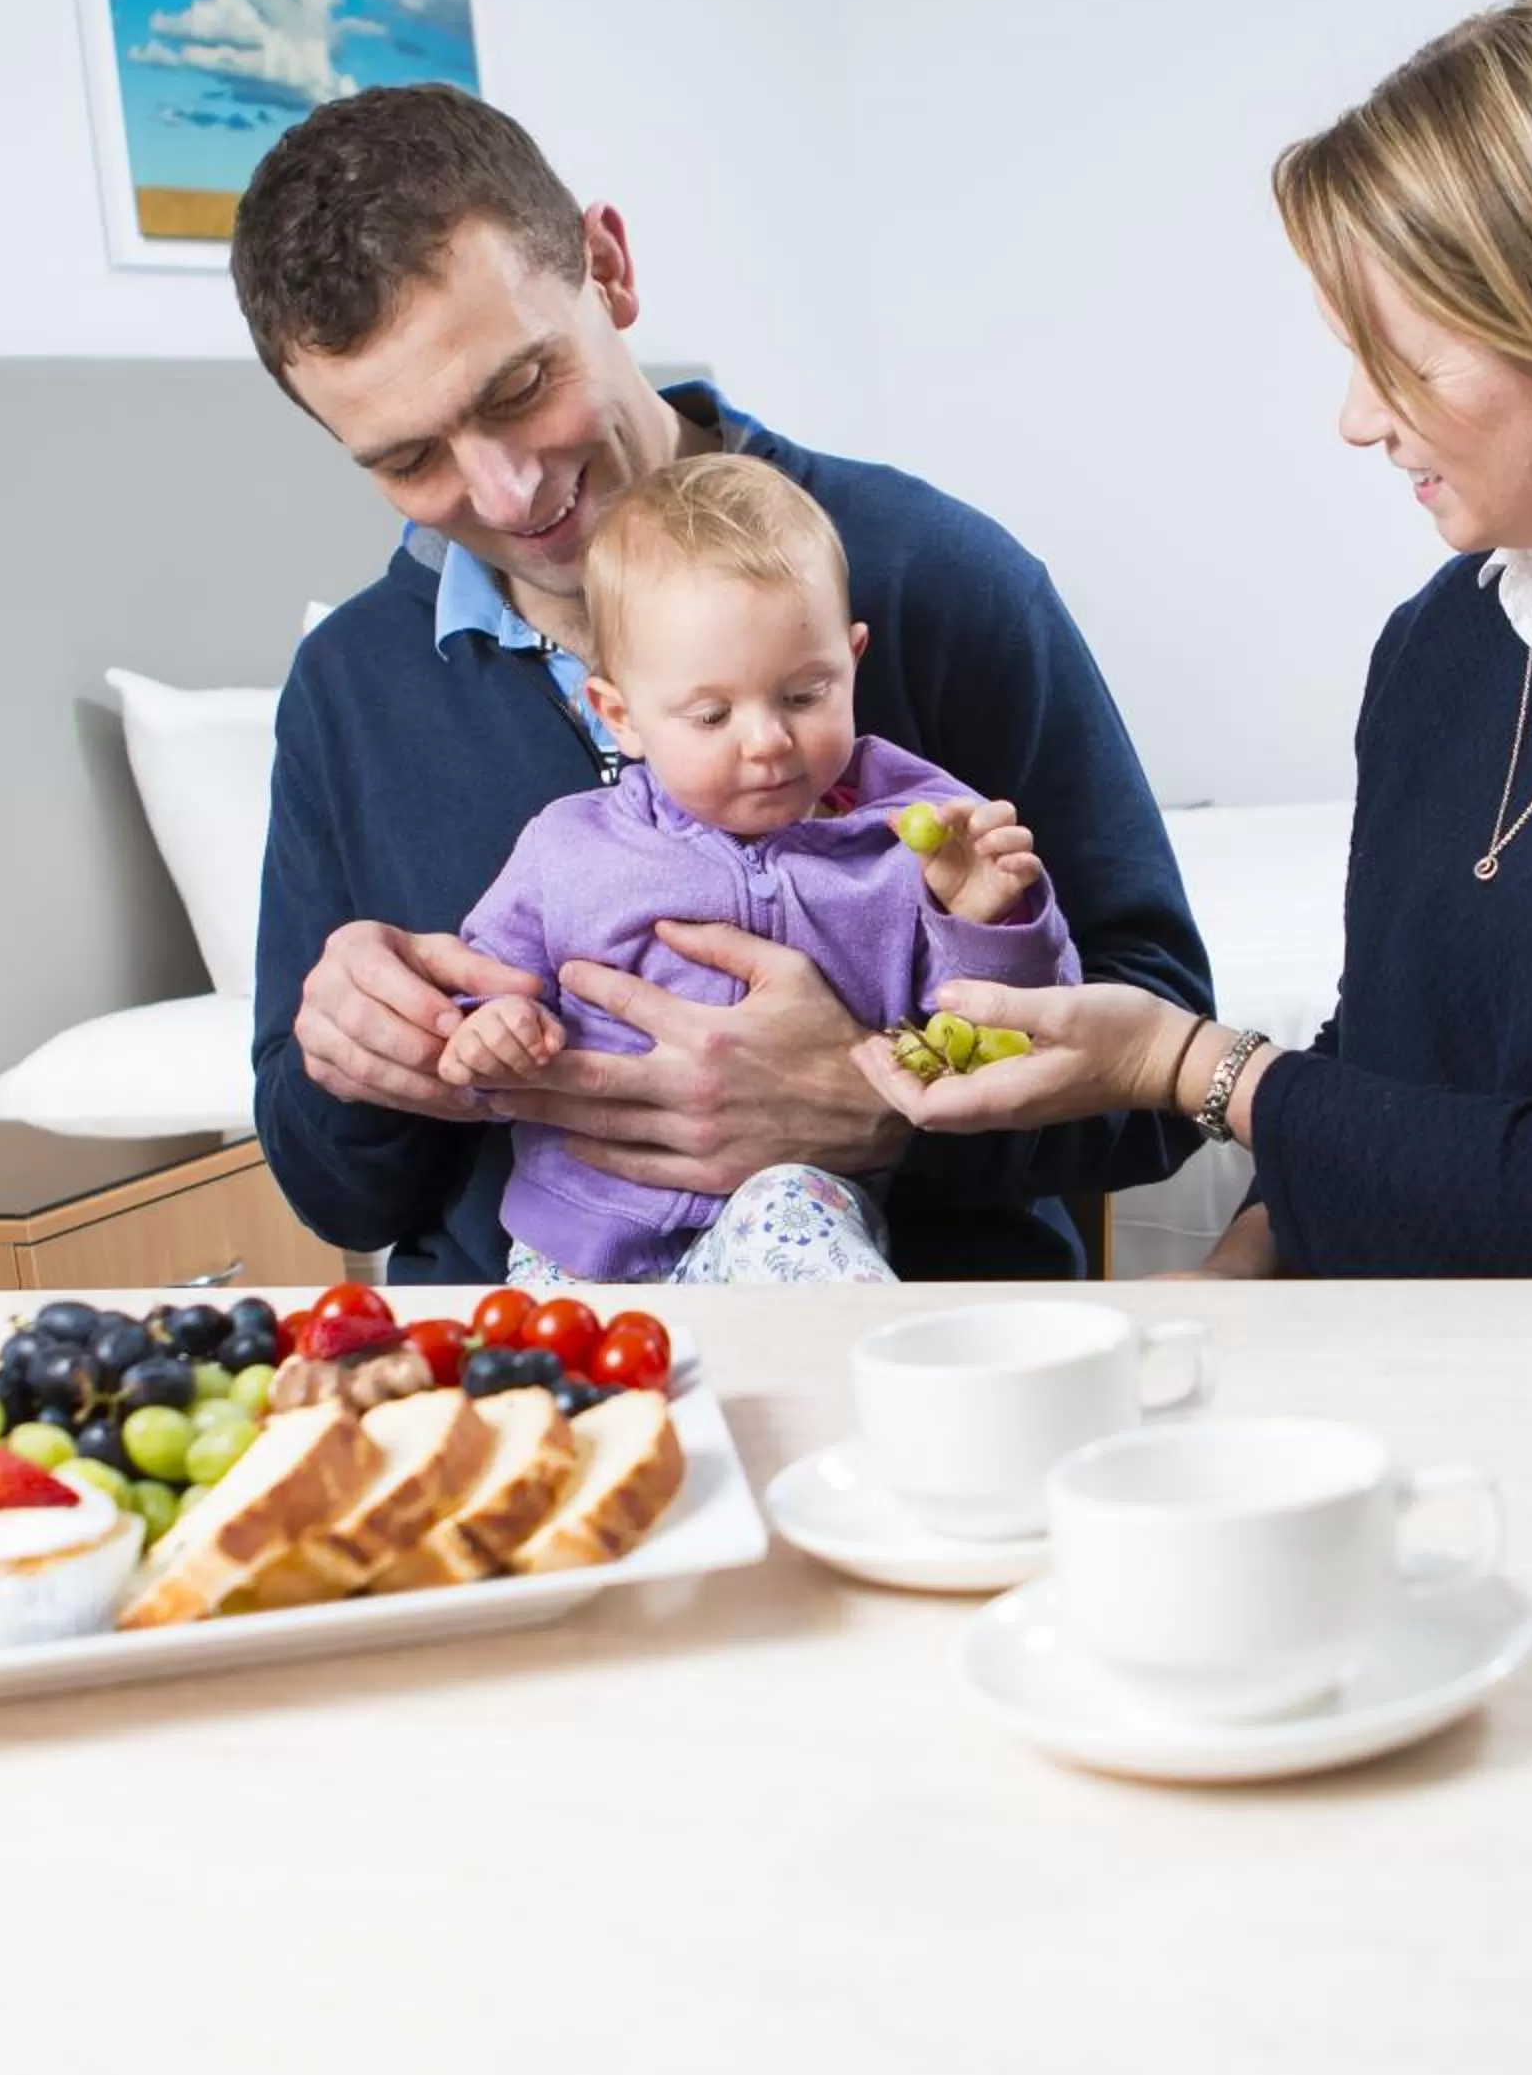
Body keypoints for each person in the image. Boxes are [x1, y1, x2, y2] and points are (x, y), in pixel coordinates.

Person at [856, 0, 1532, 1277]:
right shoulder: (1444, 641)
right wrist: (1232, 1280)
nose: (1355, 421)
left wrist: (1186, 1065)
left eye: (1399, 362)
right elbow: (1381, 1064)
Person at [230, 83, 1208, 1284]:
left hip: (909, 1357)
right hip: (541, 1379)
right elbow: (334, 1187)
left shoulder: (937, 577)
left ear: (607, 266)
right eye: (408, 458)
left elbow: (1168, 1068)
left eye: (519, 388)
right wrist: (351, 1067)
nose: (503, 493)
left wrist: (882, 1115)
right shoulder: (349, 687)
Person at [439, 453, 1080, 1287]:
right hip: (580, 1251)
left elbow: (1007, 1045)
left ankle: (861, 1380)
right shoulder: (568, 849)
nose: (767, 740)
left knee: (793, 1208)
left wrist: (989, 922)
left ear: (852, 661)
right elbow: (482, 982)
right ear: (619, 715)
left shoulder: (913, 835)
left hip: (787, 1221)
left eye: (805, 695)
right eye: (711, 714)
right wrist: (488, 1032)